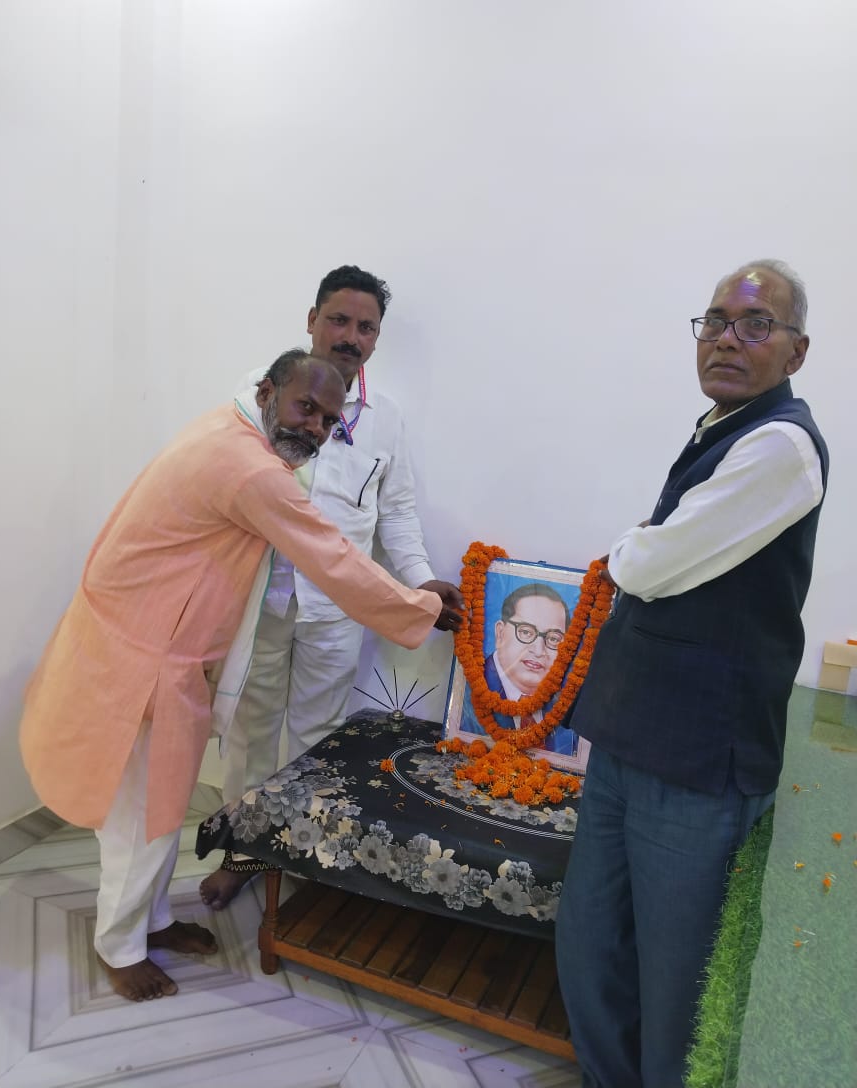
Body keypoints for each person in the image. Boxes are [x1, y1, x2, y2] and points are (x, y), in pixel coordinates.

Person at [20, 350, 461, 1004]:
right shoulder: (249, 469)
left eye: (329, 420)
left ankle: (153, 921)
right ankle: (119, 947)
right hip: (142, 658)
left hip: (164, 653)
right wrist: (420, 607)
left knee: (162, 804)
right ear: (266, 392)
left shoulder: (227, 431)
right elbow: (331, 556)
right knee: (138, 814)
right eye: (305, 408)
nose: (315, 429)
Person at [555, 259, 828, 1088]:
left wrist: (633, 544)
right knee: (591, 947)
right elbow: (667, 557)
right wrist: (649, 545)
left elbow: (649, 563)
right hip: (630, 740)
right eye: (714, 321)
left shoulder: (781, 445)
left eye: (756, 324)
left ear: (797, 350)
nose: (727, 339)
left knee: (677, 988)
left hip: (700, 765)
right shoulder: (723, 426)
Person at [200, 265, 464, 910]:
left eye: (365, 327)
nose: (350, 336)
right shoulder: (259, 393)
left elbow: (395, 512)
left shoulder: (385, 418)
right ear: (312, 319)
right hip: (261, 599)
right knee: (250, 734)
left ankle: (302, 857)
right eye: (339, 320)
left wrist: (421, 580)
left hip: (337, 608)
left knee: (319, 735)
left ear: (376, 338)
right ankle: (244, 851)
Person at [460, 582, 578, 754]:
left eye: (553, 638)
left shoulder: (568, 702)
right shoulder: (466, 699)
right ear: (500, 633)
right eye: (526, 632)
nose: (538, 651)